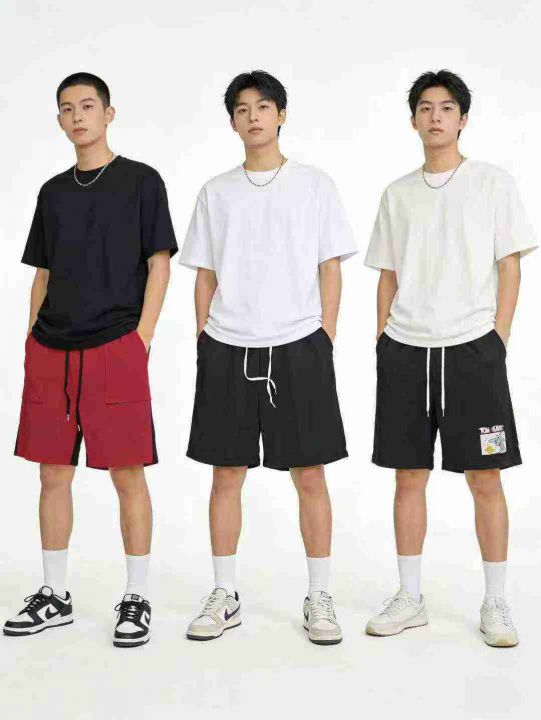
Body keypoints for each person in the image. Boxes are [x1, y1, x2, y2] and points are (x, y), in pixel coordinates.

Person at [179, 70, 356, 645]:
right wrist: (204, 338)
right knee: (225, 473)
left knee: (310, 474)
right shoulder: (216, 192)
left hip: (300, 344)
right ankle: (224, 593)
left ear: (281, 114)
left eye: (262, 106)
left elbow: (330, 266)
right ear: (232, 121)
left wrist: (325, 335)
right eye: (241, 109)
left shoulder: (314, 185)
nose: (252, 116)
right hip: (227, 345)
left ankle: (319, 595)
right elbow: (204, 273)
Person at [364, 69, 537, 647]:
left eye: (445, 108)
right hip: (406, 351)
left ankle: (496, 602)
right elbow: (387, 274)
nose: (435, 116)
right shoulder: (397, 193)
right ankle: (410, 597)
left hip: (472, 351)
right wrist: (383, 340)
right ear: (413, 119)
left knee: (485, 477)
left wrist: (498, 339)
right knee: (408, 476)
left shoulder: (492, 183)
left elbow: (510, 265)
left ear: (463, 119)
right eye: (425, 107)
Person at [4, 72, 178, 648]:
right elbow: (43, 272)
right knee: (52, 473)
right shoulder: (52, 192)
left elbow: (159, 263)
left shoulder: (141, 181)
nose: (76, 116)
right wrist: (31, 337)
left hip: (115, 345)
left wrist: (142, 338)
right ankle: (55, 593)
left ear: (108, 113)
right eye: (66, 109)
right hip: (50, 348)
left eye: (86, 106)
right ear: (59, 120)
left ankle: (137, 596)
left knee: (127, 473)